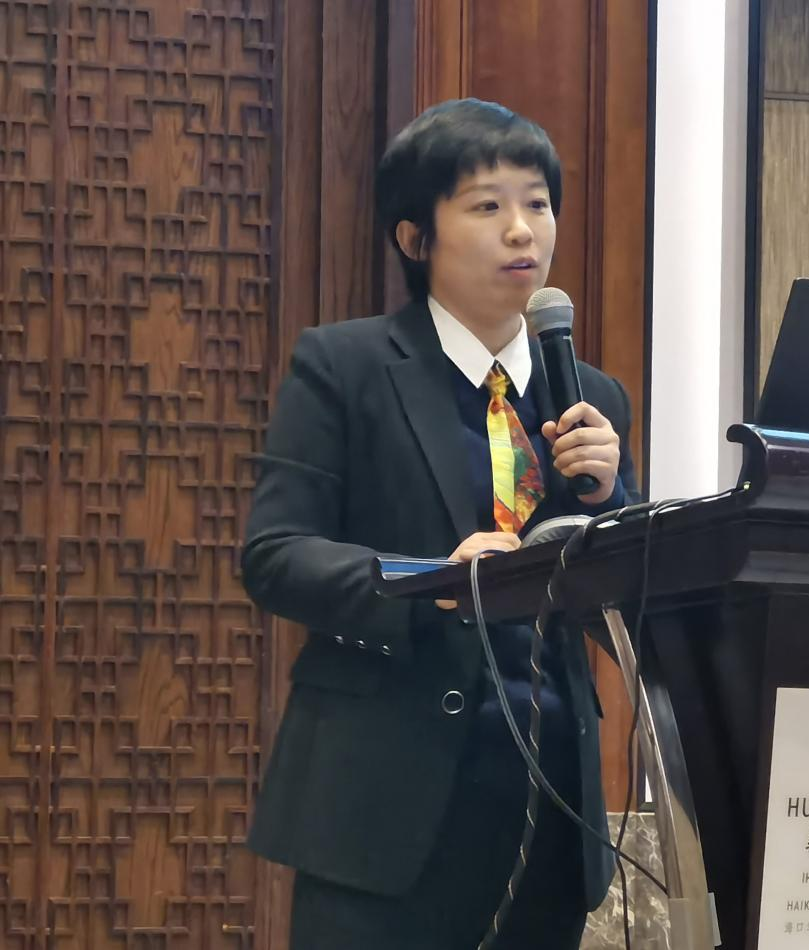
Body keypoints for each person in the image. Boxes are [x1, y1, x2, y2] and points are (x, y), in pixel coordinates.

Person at [241, 98, 636, 950]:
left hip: (547, 805)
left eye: (537, 203)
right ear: (415, 238)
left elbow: (636, 602)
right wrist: (432, 582)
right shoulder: (344, 366)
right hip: (383, 805)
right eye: (487, 206)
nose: (522, 230)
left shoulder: (591, 397)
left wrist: (609, 502)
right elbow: (274, 555)